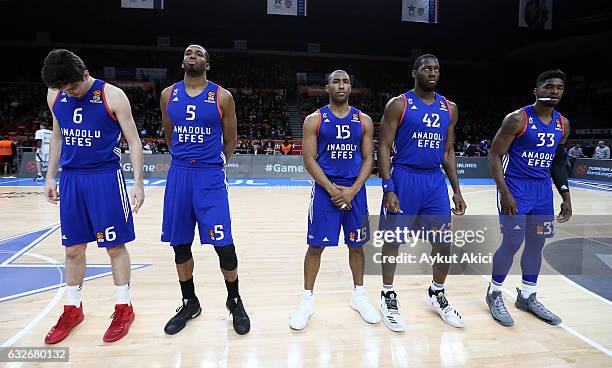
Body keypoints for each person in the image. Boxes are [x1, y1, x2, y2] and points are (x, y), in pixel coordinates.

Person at [40, 49, 145, 344]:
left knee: (115, 247)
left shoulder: (112, 95)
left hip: (105, 179)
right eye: (62, 88)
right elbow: (58, 136)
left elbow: (134, 141)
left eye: (72, 87)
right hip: (72, 180)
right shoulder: (55, 96)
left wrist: (138, 184)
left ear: (85, 74)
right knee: (73, 250)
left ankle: (124, 307)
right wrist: (50, 176)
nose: (68, 93)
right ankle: (73, 309)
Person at [160, 44, 250, 336]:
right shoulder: (168, 95)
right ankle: (190, 301)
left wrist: (213, 163)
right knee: (180, 244)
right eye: (188, 53)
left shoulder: (222, 96)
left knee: (224, 245)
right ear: (182, 61)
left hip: (209, 176)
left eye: (198, 54)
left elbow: (231, 140)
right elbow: (169, 134)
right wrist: (184, 159)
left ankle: (234, 299)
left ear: (207, 64)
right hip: (180, 174)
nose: (192, 56)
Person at [377, 54, 466, 332]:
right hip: (404, 177)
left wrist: (456, 189)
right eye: (427, 68)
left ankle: (436, 292)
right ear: (414, 72)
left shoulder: (449, 108)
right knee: (393, 242)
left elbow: (448, 151)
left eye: (437, 68)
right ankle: (387, 294)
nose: (433, 72)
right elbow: (383, 147)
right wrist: (388, 187)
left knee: (443, 244)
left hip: (434, 182)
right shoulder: (398, 104)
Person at [289, 70, 379, 330]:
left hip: (355, 192)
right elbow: (308, 160)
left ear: (351, 88)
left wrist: (352, 190)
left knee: (357, 246)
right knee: (315, 247)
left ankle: (359, 296)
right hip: (324, 192)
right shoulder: (313, 120)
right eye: (336, 81)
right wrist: (332, 189)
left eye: (346, 82)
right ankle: (307, 300)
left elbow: (368, 159)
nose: (341, 85)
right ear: (326, 87)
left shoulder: (364, 120)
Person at [486, 69, 572, 326]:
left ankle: (527, 295)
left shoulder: (562, 124)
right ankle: (494, 292)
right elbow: (494, 156)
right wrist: (505, 193)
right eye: (548, 86)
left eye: (558, 87)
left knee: (537, 244)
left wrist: (565, 195)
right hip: (516, 187)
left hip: (543, 191)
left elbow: (558, 161)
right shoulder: (517, 119)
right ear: (536, 91)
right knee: (513, 241)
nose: (553, 91)